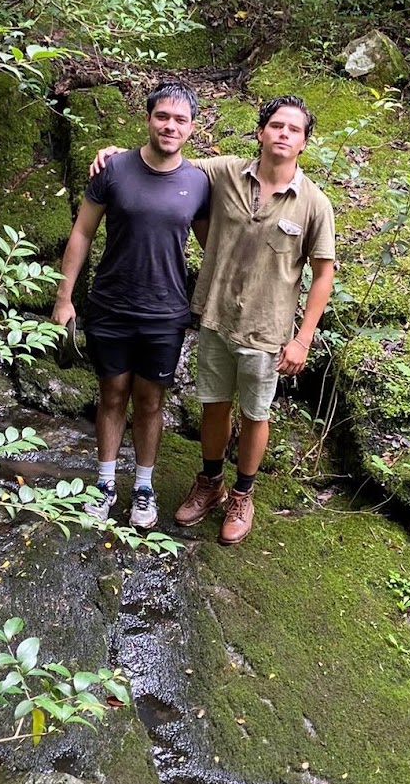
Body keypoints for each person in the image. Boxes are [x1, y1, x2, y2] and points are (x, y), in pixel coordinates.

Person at [91, 93, 335, 545]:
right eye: (275, 125)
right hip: (215, 316)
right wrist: (113, 156)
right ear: (260, 132)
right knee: (214, 405)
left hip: (268, 327)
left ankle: (243, 494)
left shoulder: (314, 204)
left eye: (293, 130)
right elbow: (166, 154)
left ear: (303, 142)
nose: (283, 134)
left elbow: (323, 275)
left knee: (255, 412)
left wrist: (302, 339)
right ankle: (209, 482)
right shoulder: (223, 172)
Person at [54, 81, 210, 531]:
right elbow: (82, 233)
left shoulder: (199, 182)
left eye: (180, 119)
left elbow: (211, 246)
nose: (170, 125)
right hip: (111, 305)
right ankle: (104, 482)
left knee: (149, 401)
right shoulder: (113, 169)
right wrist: (65, 297)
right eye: (162, 116)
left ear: (192, 127)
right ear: (148, 119)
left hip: (165, 312)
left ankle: (143, 485)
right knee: (112, 395)